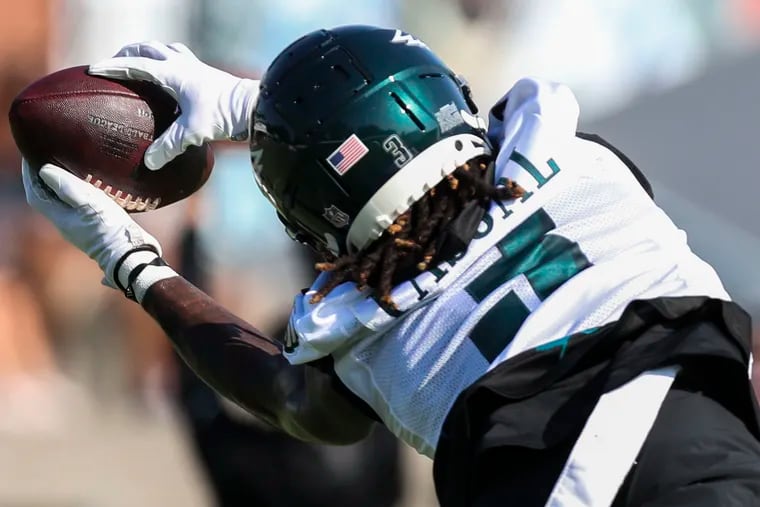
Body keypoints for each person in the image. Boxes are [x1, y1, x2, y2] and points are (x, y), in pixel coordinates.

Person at [21, 26, 760, 506]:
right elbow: (442, 153)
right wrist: (254, 106)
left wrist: (131, 264)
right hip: (715, 453)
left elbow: (286, 396)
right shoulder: (587, 171)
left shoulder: (373, 337)